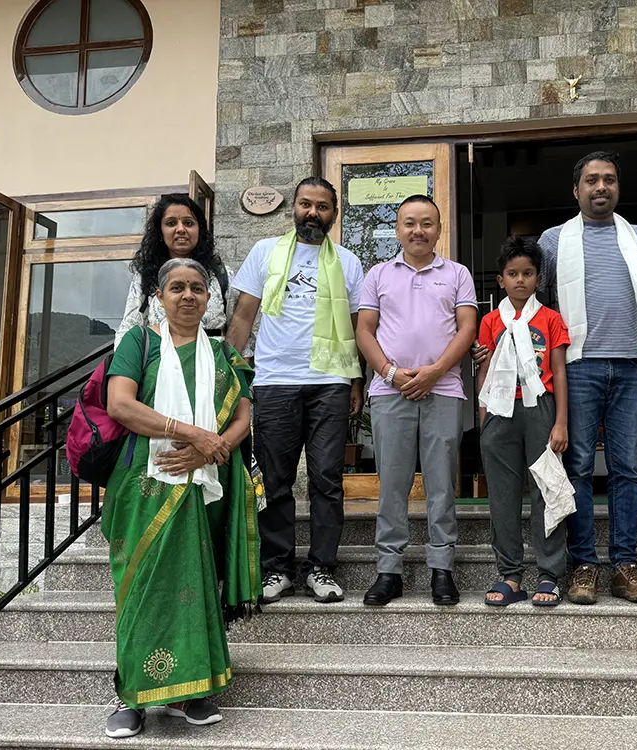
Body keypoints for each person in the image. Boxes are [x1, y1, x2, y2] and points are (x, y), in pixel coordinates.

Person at [472, 151, 637, 605]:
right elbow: (538, 301)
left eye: (610, 180)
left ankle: (624, 564)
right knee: (575, 467)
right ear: (576, 190)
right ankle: (581, 565)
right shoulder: (555, 240)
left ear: (618, 187)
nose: (602, 188)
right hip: (576, 365)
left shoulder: (636, 237)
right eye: (592, 181)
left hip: (630, 363)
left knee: (626, 468)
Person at [102, 258, 259, 738]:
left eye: (197, 288)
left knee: (195, 584)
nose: (187, 295)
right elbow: (120, 405)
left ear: (210, 299)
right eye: (177, 287)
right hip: (144, 483)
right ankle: (130, 695)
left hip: (205, 484)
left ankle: (192, 690)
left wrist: (212, 449)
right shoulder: (139, 342)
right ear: (159, 297)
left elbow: (243, 415)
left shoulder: (224, 353)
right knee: (143, 584)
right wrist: (194, 434)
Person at [226, 177, 366, 605]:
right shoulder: (265, 251)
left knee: (327, 479)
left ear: (333, 214)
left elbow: (359, 325)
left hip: (330, 383)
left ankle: (322, 567)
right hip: (274, 381)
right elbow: (244, 316)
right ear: (295, 208)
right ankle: (277, 569)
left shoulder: (348, 261)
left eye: (322, 207)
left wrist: (357, 380)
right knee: (275, 479)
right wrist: (227, 372)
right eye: (306, 204)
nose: (312, 213)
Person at [355, 194, 477, 607]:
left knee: (442, 483)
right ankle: (389, 571)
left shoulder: (458, 274)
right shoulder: (378, 275)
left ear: (439, 229)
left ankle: (442, 570)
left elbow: (466, 329)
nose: (418, 230)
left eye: (427, 223)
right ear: (398, 229)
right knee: (392, 484)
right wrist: (391, 372)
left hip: (442, 391)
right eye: (410, 223)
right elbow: (365, 332)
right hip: (390, 392)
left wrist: (434, 372)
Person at [477, 236, 570, 607]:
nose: (520, 280)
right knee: (502, 496)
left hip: (540, 410)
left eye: (527, 273)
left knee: (547, 491)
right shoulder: (489, 321)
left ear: (538, 278)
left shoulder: (550, 319)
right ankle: (511, 575)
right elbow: (482, 372)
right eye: (512, 274)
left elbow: (560, 372)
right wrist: (483, 421)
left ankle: (549, 574)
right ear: (500, 279)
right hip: (499, 413)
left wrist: (561, 422)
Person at [116, 195, 240, 350]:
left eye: (188, 223)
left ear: (199, 229)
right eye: (171, 223)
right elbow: (129, 327)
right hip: (159, 365)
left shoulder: (221, 275)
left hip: (214, 365)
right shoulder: (146, 277)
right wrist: (125, 368)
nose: (181, 229)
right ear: (160, 232)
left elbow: (239, 327)